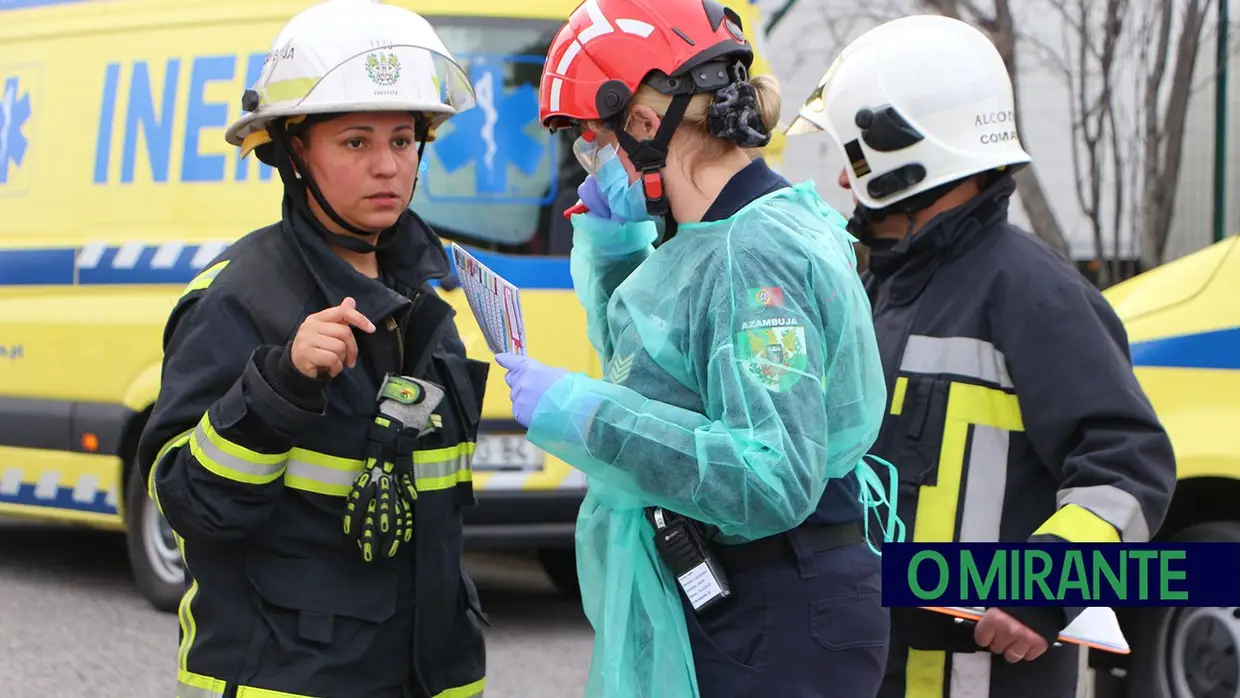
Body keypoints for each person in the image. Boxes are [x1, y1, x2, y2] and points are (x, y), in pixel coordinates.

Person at [491, 1, 903, 696]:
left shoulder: (754, 251)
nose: (589, 162)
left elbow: (770, 478)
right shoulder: (719, 235)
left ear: (645, 124)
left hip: (780, 605)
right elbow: (656, 373)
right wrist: (620, 249)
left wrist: (585, 414)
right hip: (753, 594)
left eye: (593, 139)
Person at [785, 14, 1178, 698]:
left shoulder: (1035, 295)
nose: (846, 186)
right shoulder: (879, 288)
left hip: (980, 678)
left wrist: (1045, 587)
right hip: (876, 665)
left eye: (854, 160)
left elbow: (1127, 467)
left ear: (907, 150)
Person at [135, 2, 491, 696]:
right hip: (293, 677)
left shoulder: (428, 300)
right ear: (295, 151)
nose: (387, 166)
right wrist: (280, 388)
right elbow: (189, 507)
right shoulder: (239, 300)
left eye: (403, 139)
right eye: (355, 142)